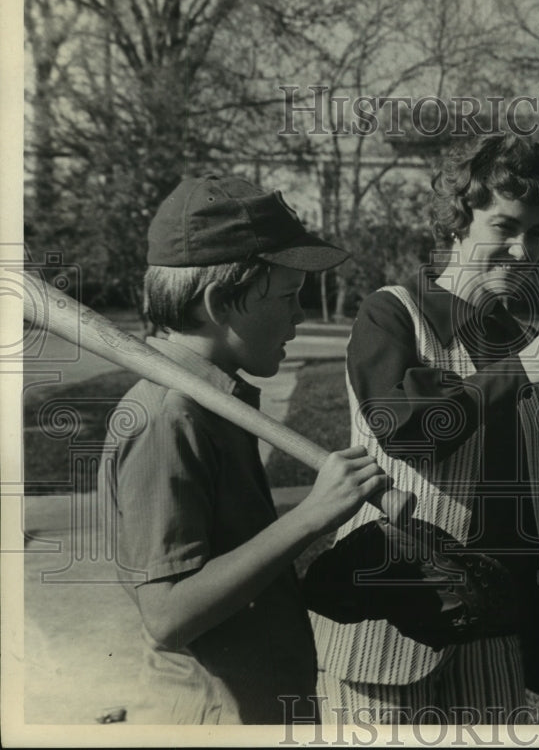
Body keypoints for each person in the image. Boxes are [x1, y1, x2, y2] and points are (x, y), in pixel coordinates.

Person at [310, 132, 539, 724]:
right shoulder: (390, 313)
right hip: (387, 618)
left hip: (490, 620)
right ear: (457, 222)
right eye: (504, 227)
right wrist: (517, 372)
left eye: (538, 233)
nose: (523, 251)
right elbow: (406, 430)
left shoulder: (517, 335)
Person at [106, 175, 389, 724]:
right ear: (219, 302)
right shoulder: (170, 417)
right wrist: (309, 517)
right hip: (214, 719)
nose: (299, 315)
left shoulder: (213, 402)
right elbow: (166, 615)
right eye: (287, 296)